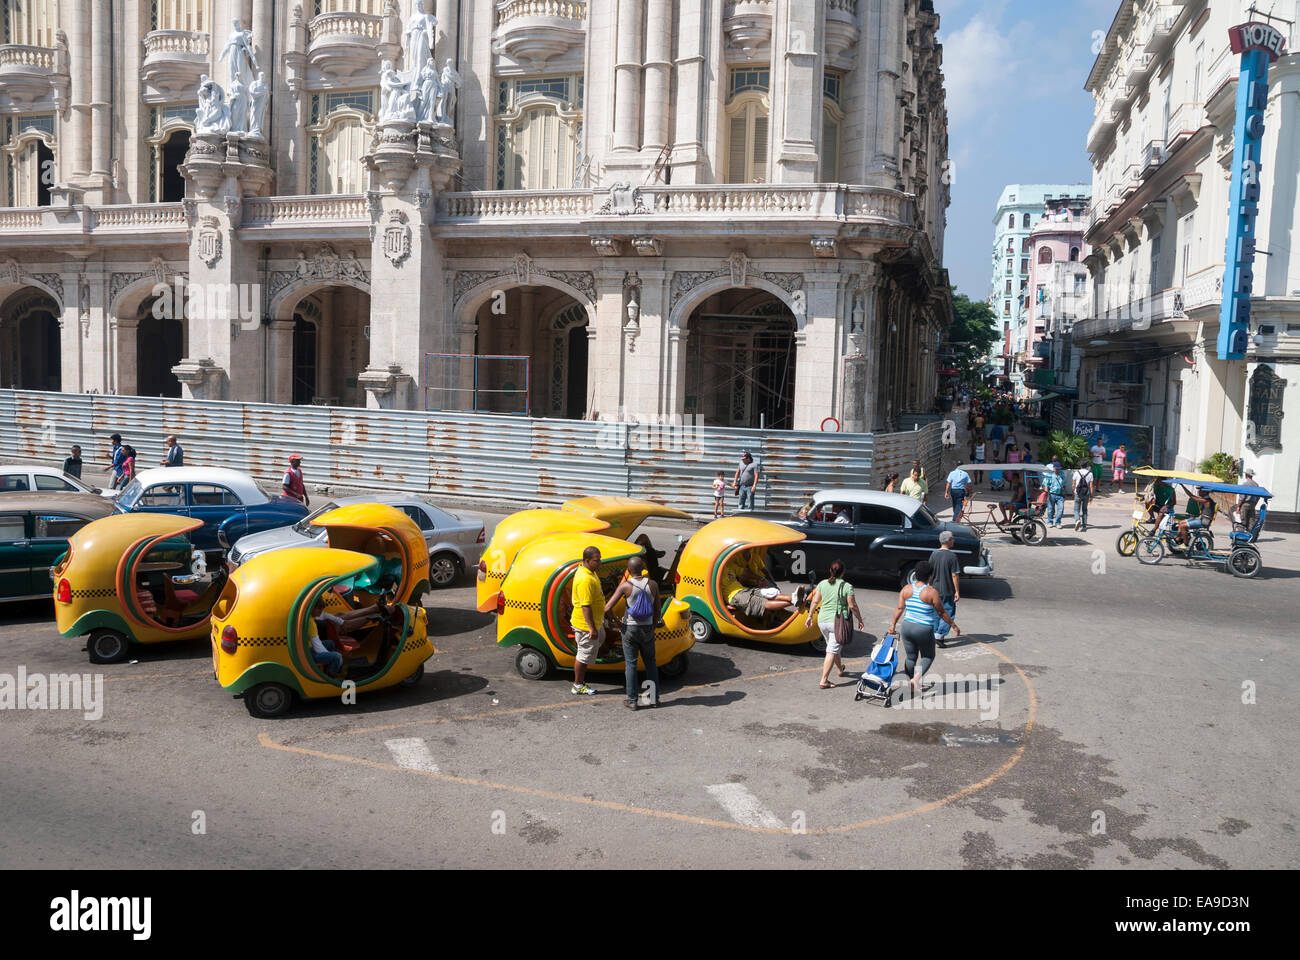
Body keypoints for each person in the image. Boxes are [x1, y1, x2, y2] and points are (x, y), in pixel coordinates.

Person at [887, 561, 959, 699]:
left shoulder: (906, 589)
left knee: (911, 657)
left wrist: (892, 624)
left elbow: (899, 608)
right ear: (930, 576)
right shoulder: (931, 592)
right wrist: (953, 625)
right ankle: (915, 679)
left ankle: (909, 683)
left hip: (907, 626)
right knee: (928, 656)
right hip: (923, 629)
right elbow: (942, 612)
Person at [606, 556, 661, 710]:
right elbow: (657, 609)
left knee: (631, 664)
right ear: (643, 568)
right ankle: (653, 699)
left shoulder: (625, 586)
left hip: (630, 629)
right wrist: (653, 625)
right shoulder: (653, 584)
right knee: (651, 663)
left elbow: (607, 608)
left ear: (629, 571)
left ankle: (632, 700)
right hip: (647, 628)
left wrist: (618, 623)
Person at [805, 560, 864, 688]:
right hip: (837, 623)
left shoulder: (822, 583)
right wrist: (860, 619)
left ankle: (840, 670)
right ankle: (824, 680)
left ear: (830, 571)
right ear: (843, 572)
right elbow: (852, 606)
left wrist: (809, 616)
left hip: (822, 621)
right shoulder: (847, 586)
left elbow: (815, 601)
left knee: (833, 646)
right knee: (831, 650)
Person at [722, 550, 807, 618]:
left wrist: (764, 580)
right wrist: (723, 604)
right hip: (735, 596)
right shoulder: (716, 571)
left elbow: (745, 573)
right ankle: (795, 601)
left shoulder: (729, 566)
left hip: (744, 589)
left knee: (771, 592)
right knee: (763, 603)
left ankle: (793, 597)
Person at [570, 546, 607, 696]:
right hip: (586, 625)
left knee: (590, 650)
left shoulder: (590, 572)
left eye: (599, 559)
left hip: (596, 622)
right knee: (583, 656)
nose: (600, 563)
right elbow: (586, 606)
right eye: (596, 560)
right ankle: (578, 685)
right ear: (586, 561)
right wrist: (592, 629)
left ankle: (581, 680)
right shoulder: (585, 579)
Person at [928, 532, 962, 648]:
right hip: (948, 590)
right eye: (952, 538)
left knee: (936, 612)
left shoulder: (934, 554)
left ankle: (935, 633)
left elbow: (930, 573)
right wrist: (957, 591)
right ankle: (940, 635)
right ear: (948, 540)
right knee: (948, 612)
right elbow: (954, 575)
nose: (954, 540)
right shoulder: (952, 556)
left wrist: (929, 586)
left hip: (935, 589)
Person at [1072, 459, 1093, 531]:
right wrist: (1091, 496)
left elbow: (1074, 484)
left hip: (1078, 493)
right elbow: (1091, 486)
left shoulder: (1076, 473)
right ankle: (1084, 526)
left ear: (1080, 465)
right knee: (1084, 510)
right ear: (1087, 466)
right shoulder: (1090, 474)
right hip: (1086, 494)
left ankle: (1077, 520)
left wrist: (1073, 492)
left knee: (1076, 509)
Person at [1043, 462, 1066, 528]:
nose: (1058, 470)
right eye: (1056, 469)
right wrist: (1047, 494)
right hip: (1051, 494)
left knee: (1061, 509)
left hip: (1060, 495)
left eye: (1059, 469)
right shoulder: (1049, 475)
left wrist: (1065, 493)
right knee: (1050, 509)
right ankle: (1050, 522)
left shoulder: (1062, 474)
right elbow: (1046, 485)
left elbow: (1064, 485)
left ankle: (1058, 523)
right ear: (1053, 468)